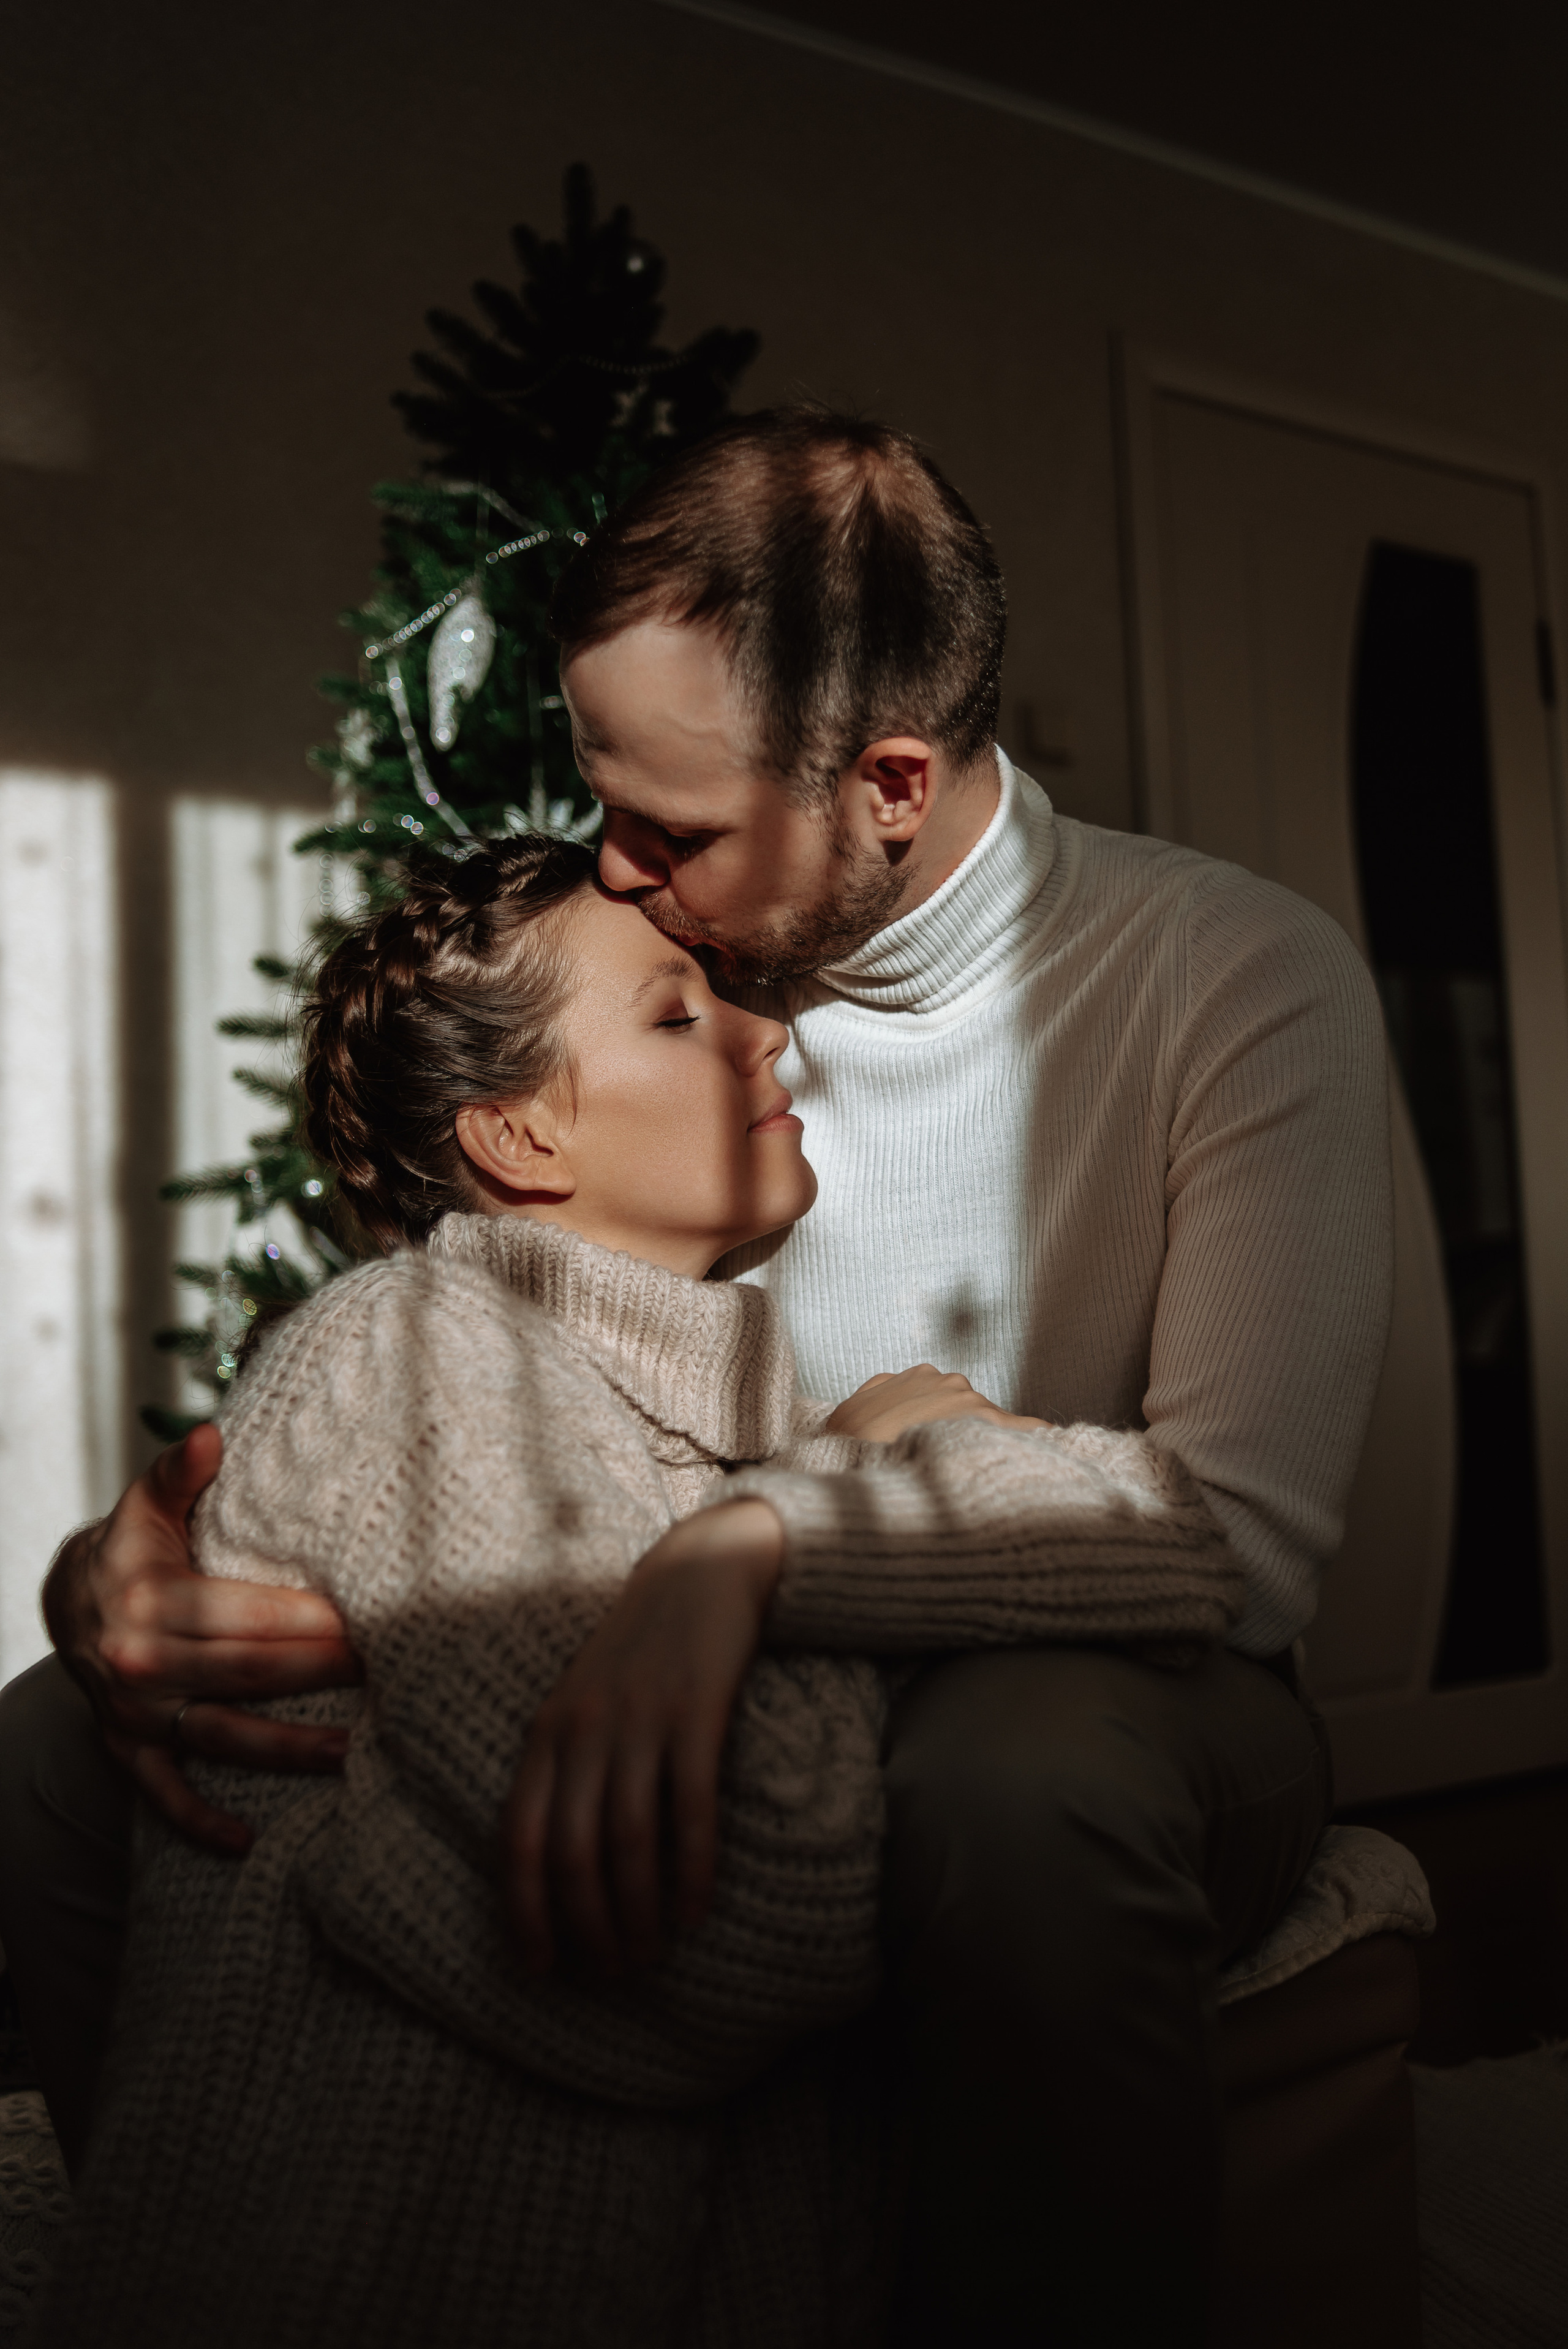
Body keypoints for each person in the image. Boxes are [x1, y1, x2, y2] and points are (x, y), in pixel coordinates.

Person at [2, 409, 1391, 2346]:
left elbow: (1237, 1546)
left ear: (888, 785)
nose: (620, 863)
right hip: (688, 1614)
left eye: (677, 828)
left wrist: (753, 1547)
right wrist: (132, 1569)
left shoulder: (1232, 978)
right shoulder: (689, 960)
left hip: (1126, 1669)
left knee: (1016, 1780)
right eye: (605, 795)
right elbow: (466, 1349)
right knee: (55, 1744)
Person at [30, 834, 1240, 2348]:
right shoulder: (415, 1351)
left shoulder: (760, 1440)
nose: (767, 1031)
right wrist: (851, 1491)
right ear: (519, 1136)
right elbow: (753, 1919)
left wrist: (797, 1511)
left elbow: (1179, 1539)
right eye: (677, 1015)